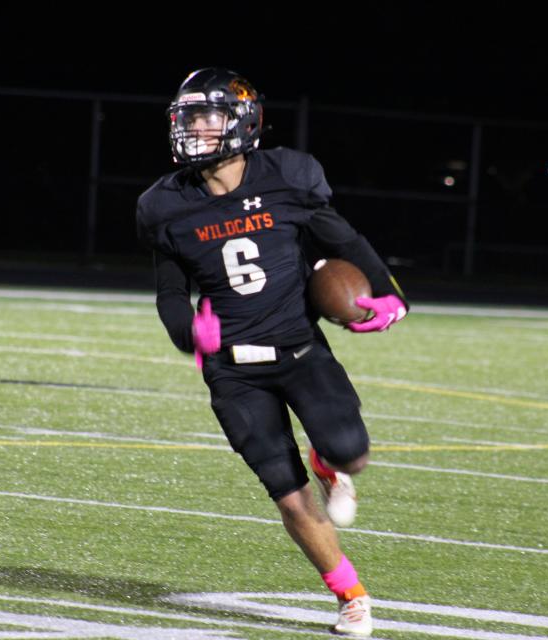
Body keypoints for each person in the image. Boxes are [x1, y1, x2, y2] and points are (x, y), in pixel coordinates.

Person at [136, 68, 408, 637]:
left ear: (242, 121)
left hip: (300, 348)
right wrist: (190, 334)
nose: (194, 131)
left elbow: (344, 240)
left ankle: (329, 464)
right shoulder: (164, 205)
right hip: (233, 373)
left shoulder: (289, 176)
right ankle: (351, 596)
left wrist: (387, 296)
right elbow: (168, 292)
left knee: (351, 452)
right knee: (289, 498)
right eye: (187, 119)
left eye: (206, 118)